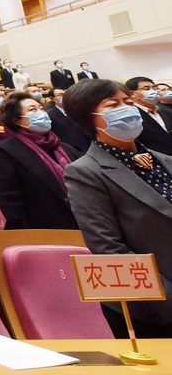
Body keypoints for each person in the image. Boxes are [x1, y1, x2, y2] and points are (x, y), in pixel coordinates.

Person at [64, 79, 172, 339]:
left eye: (128, 102)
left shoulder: (166, 160)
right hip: (152, 306)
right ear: (88, 117)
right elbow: (108, 248)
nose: (126, 109)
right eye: (113, 105)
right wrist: (167, 299)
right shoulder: (85, 172)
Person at [0, 92, 81, 230]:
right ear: (17, 120)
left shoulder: (66, 148)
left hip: (82, 224)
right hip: (41, 229)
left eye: (41, 109)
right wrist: (28, 232)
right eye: (33, 110)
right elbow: (8, 200)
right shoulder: (7, 152)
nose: (41, 113)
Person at [125, 76, 172, 156]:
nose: (153, 91)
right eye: (146, 89)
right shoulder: (130, 116)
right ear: (133, 93)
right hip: (155, 159)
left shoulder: (165, 112)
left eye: (154, 88)